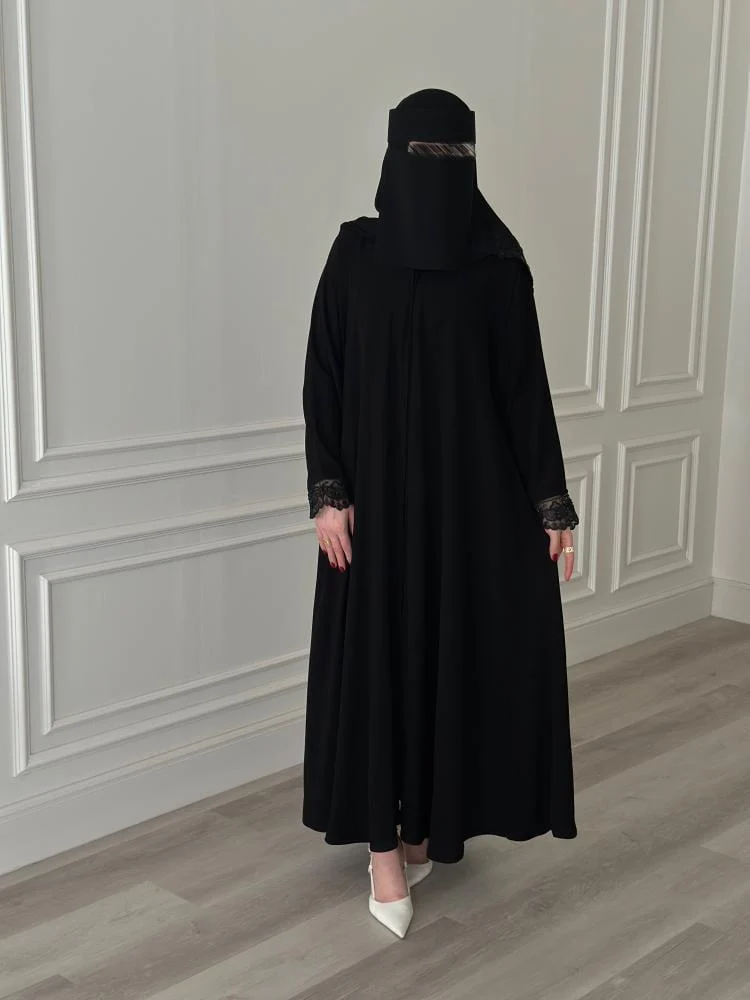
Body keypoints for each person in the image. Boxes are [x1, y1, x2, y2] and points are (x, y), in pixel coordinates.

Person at [301, 88, 579, 938]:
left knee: (448, 661)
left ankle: (423, 824)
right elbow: (324, 377)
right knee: (379, 664)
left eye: (453, 156)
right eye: (422, 154)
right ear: (392, 157)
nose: (437, 173)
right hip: (372, 515)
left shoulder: (497, 266)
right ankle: (382, 851)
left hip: (468, 509)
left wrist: (551, 504)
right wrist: (328, 493)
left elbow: (524, 394)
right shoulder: (355, 255)